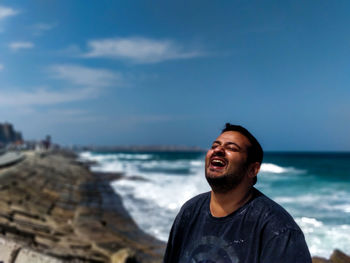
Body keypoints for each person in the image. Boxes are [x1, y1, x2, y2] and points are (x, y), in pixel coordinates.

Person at [163, 123, 311, 263]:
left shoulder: (278, 230)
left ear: (253, 169)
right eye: (214, 146)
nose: (218, 150)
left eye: (232, 148)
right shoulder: (190, 211)